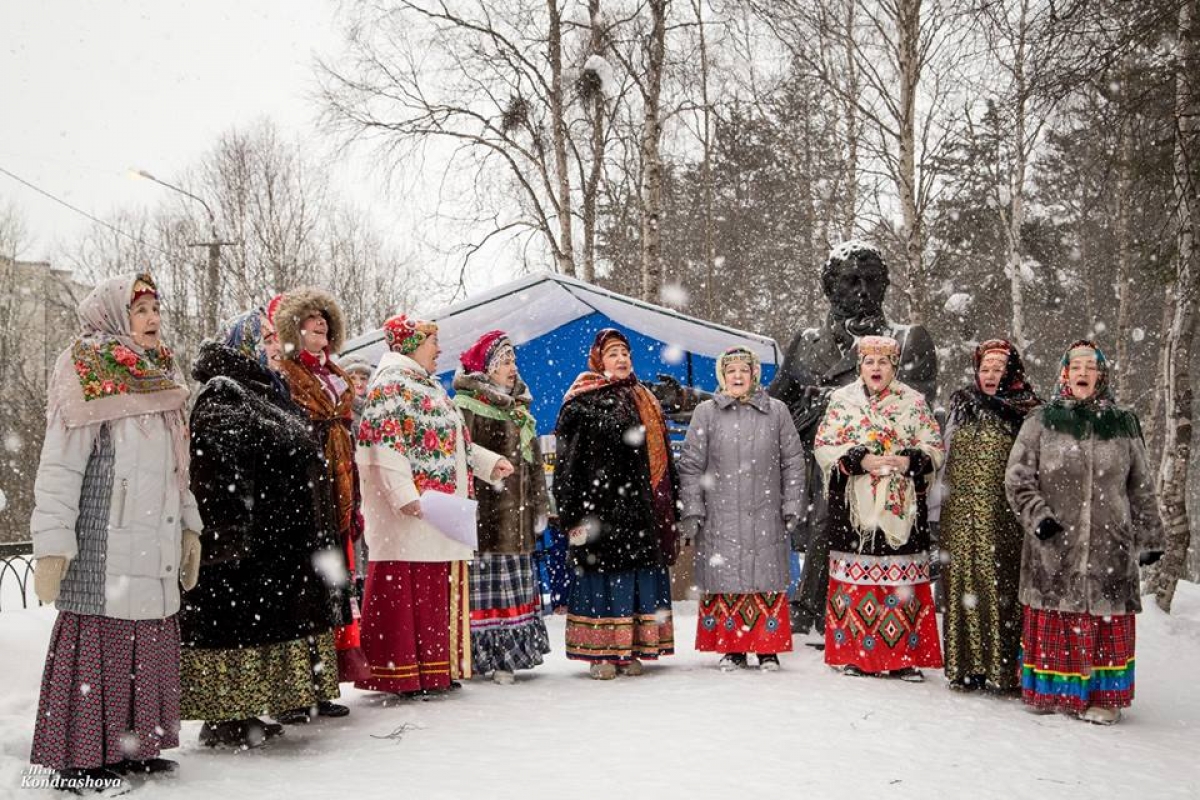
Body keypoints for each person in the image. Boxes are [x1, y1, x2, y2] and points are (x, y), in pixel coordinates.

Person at [29, 273, 203, 792]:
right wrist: (53, 546)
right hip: (104, 538)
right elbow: (59, 466)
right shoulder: (86, 368)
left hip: (155, 539)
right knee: (100, 640)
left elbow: (178, 469)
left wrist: (190, 527)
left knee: (146, 639)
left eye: (155, 308)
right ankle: (80, 755)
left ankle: (137, 746)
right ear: (113, 315)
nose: (153, 319)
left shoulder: (162, 374)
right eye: (141, 309)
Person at [180, 308, 344, 747]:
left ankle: (246, 712)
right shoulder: (223, 393)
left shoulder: (265, 390)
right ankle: (226, 717)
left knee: (255, 631)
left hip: (274, 542)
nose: (277, 344)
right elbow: (215, 474)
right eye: (267, 337)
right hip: (245, 545)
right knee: (235, 631)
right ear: (245, 342)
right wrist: (229, 535)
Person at [768, 242, 938, 636]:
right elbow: (769, 407)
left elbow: (914, 405)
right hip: (821, 467)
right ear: (829, 287)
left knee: (876, 538)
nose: (863, 290)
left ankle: (877, 618)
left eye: (872, 281)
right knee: (825, 523)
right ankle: (817, 603)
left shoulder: (908, 338)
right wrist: (702, 401)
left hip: (884, 474)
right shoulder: (805, 343)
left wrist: (833, 403)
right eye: (851, 281)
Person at [1005, 340, 1163, 724]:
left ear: (1102, 375)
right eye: (1076, 366)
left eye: (1091, 367)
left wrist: (1150, 534)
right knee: (1057, 616)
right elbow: (1018, 478)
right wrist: (1039, 518)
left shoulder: (1123, 422)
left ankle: (1104, 698)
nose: (1083, 373)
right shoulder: (1041, 420)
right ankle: (1053, 695)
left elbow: (1140, 484)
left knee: (1104, 619)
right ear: (1064, 372)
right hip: (1055, 545)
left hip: (1112, 545)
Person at [355, 315, 512, 696]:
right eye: (432, 343)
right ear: (410, 346)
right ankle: (402, 674)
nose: (439, 350)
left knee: (430, 593)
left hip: (436, 511)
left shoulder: (427, 388)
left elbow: (451, 441)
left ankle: (431, 671)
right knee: (406, 591)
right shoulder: (390, 386)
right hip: (411, 512)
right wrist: (402, 494)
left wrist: (488, 462)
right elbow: (382, 445)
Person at [814, 335, 944, 681]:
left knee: (899, 578)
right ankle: (857, 654)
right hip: (854, 505)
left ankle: (902, 656)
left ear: (894, 366)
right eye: (870, 362)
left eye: (883, 362)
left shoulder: (913, 402)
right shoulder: (842, 401)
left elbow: (933, 446)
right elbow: (824, 444)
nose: (876, 368)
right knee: (857, 577)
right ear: (861, 366)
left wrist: (907, 461)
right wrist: (860, 459)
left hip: (900, 504)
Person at [553, 328, 679, 680]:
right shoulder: (581, 401)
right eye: (613, 354)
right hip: (598, 509)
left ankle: (630, 649)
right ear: (598, 360)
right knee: (602, 579)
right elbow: (568, 463)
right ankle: (601, 654)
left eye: (625, 352)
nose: (622, 359)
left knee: (633, 578)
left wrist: (670, 505)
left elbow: (664, 460)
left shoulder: (644, 398)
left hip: (638, 510)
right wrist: (571, 513)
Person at [678, 346, 805, 671]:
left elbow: (793, 462)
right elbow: (691, 465)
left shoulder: (776, 411)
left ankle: (767, 649)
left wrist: (792, 503)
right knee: (728, 580)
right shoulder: (707, 413)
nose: (737, 376)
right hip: (721, 515)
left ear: (754, 375)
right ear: (723, 376)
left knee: (765, 579)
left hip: (767, 512)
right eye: (731, 371)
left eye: (743, 370)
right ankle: (732, 648)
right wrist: (693, 509)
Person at [272, 288, 368, 711]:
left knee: (332, 584)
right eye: (311, 318)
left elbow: (346, 433)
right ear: (295, 327)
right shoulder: (287, 375)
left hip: (340, 487)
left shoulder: (337, 374)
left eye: (325, 317)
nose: (320, 323)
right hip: (306, 488)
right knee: (304, 586)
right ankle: (295, 691)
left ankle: (321, 683)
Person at [938, 339, 1040, 693]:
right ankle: (965, 667)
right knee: (961, 581)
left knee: (998, 583)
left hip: (1002, 514)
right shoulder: (961, 403)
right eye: (985, 369)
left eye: (998, 369)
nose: (990, 376)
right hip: (959, 510)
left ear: (1012, 371)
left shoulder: (1028, 410)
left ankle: (1001, 669)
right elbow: (944, 452)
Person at [453, 331, 552, 684]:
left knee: (514, 586)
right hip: (487, 519)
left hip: (518, 516)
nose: (513, 368)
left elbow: (534, 462)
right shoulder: (468, 406)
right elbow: (460, 460)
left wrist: (539, 503)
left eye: (513, 360)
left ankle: (512, 655)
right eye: (505, 362)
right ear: (487, 368)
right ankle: (489, 658)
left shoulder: (520, 408)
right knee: (488, 588)